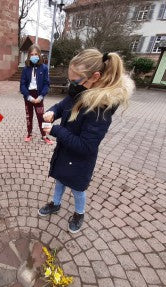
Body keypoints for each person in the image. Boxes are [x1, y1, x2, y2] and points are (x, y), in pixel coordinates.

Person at [38, 49, 135, 233]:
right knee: (59, 179)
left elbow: (86, 146)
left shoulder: (101, 108)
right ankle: (56, 203)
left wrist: (56, 130)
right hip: (65, 150)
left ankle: (79, 213)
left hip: (80, 160)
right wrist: (53, 111)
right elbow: (63, 105)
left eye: (75, 80)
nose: (72, 84)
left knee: (77, 189)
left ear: (95, 76)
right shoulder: (81, 89)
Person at [20, 44, 53, 144]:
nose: (34, 56)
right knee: (29, 116)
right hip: (28, 96)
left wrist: (41, 96)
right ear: (29, 56)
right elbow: (22, 84)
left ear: (39, 55)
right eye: (32, 54)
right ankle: (29, 134)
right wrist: (28, 96)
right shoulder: (26, 69)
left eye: (36, 54)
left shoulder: (44, 68)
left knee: (41, 117)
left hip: (39, 96)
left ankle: (44, 135)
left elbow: (46, 84)